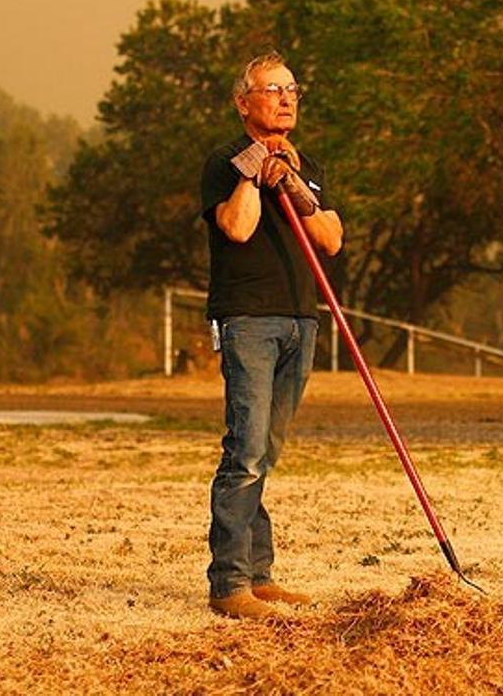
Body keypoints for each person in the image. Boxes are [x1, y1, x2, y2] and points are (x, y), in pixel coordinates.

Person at [199, 52, 343, 619]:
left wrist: (297, 185)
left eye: (292, 90)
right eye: (273, 90)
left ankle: (259, 575)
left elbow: (330, 237)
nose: (286, 99)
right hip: (247, 319)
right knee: (246, 450)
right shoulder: (224, 161)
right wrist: (257, 170)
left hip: (299, 319)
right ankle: (229, 584)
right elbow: (237, 226)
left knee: (268, 450)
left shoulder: (310, 165)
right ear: (244, 102)